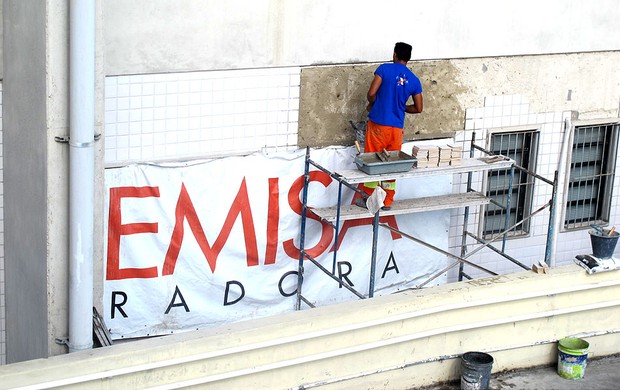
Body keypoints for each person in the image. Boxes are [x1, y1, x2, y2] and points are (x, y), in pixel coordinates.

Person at [357, 42, 423, 211]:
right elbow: (418, 108)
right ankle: (387, 202)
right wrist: (402, 107)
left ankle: (368, 200)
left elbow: (371, 94)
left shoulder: (384, 70)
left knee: (372, 161)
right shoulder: (414, 80)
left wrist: (375, 103)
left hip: (378, 124)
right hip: (396, 129)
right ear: (408, 58)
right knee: (391, 163)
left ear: (394, 55)